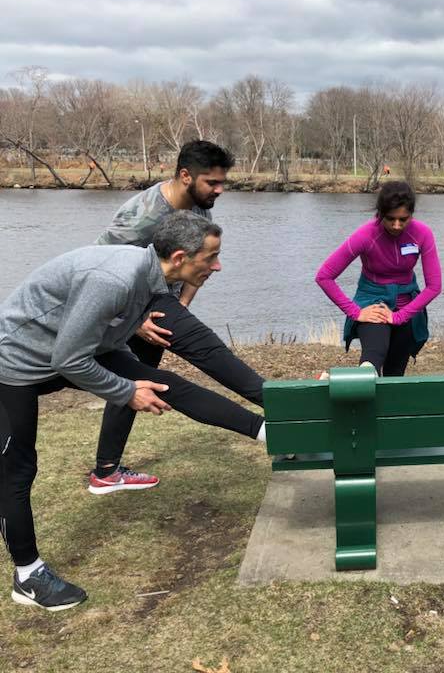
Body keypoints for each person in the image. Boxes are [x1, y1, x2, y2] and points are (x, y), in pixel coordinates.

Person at [0, 212, 267, 610]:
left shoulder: (150, 277)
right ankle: (28, 576)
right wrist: (126, 391)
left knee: (167, 384)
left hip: (77, 352)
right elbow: (69, 358)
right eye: (211, 257)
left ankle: (269, 433)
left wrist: (130, 373)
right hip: (16, 364)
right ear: (179, 258)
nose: (217, 266)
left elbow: (93, 341)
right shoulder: (115, 279)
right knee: (17, 469)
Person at [90, 140, 265, 494]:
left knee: (137, 380)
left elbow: (197, 265)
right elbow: (98, 269)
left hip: (164, 305)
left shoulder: (201, 211)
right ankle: (287, 410)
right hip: (138, 307)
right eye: (211, 182)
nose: (219, 190)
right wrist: (134, 322)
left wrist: (182, 304)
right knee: (211, 352)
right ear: (185, 176)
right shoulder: (141, 214)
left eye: (222, 182)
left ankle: (106, 471)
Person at [315, 182, 441, 375]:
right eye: (390, 218)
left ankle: (391, 405)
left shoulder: (423, 233)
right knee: (371, 363)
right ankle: (353, 390)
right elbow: (324, 276)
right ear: (380, 213)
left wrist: (400, 316)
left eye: (403, 219)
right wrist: (355, 312)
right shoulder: (366, 235)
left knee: (395, 374)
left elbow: (434, 286)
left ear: (411, 214)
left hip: (407, 307)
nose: (397, 225)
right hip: (373, 303)